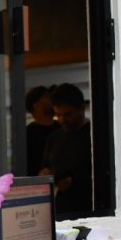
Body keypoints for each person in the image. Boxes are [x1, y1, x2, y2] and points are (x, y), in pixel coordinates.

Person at [40, 82, 92, 218]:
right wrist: (45, 174)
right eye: (58, 115)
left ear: (82, 109)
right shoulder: (54, 138)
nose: (63, 120)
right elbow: (46, 166)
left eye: (68, 114)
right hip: (60, 209)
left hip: (87, 209)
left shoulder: (94, 137)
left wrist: (74, 181)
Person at [24, 85, 58, 175]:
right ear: (36, 105)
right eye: (47, 97)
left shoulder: (62, 127)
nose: (52, 100)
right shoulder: (28, 134)